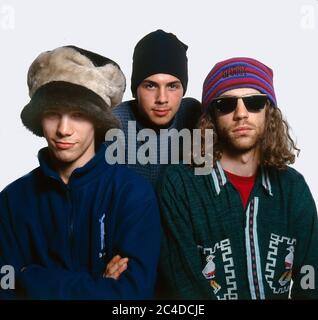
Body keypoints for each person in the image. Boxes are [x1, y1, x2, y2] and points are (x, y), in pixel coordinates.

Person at [0, 46, 161, 299]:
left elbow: (132, 296)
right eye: (53, 114)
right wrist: (98, 283)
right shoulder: (12, 200)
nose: (64, 129)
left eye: (78, 115)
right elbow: (5, 287)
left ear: (97, 120)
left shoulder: (133, 194)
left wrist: (29, 277)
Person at [158, 57, 318, 299]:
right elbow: (184, 286)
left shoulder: (292, 187)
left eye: (254, 103)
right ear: (211, 116)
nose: (241, 114)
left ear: (269, 111)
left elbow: (311, 276)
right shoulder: (179, 185)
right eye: (226, 105)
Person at [112, 29, 201, 189]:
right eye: (150, 86)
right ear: (135, 90)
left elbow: (206, 187)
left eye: (173, 86)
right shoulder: (115, 124)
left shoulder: (195, 115)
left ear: (183, 89)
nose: (162, 99)